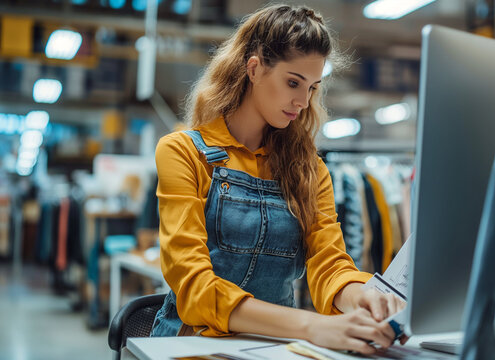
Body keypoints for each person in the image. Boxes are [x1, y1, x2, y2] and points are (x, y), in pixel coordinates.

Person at [150, 4, 405, 354]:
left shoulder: (310, 170)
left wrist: (366, 298)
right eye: (293, 82)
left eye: (313, 87)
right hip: (191, 345)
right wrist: (313, 325)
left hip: (275, 347)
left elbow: (329, 264)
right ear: (254, 68)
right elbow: (195, 289)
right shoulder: (183, 152)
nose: (302, 101)